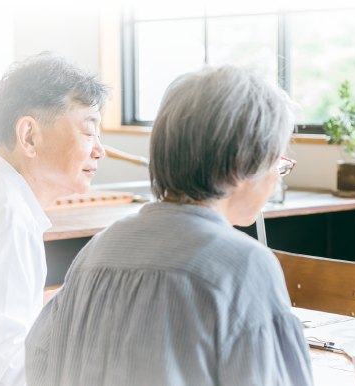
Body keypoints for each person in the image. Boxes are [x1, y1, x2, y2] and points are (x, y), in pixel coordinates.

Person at [25, 65, 313, 386]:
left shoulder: (98, 250)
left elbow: (38, 361)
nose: (276, 176)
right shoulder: (244, 265)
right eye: (277, 162)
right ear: (241, 165)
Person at [0, 51, 109, 386]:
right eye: (89, 132)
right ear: (29, 136)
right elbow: (4, 375)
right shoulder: (5, 220)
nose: (100, 150)